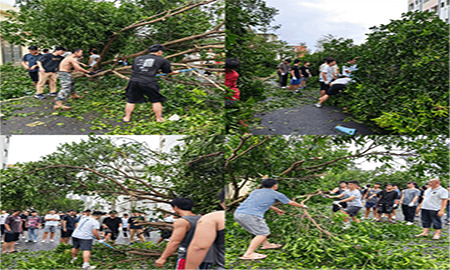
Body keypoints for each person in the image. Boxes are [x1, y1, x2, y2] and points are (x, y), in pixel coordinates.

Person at [233, 178, 308, 260]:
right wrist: (302, 206)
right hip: (251, 215)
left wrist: (276, 209)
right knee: (263, 233)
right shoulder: (276, 194)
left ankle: (266, 245)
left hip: (238, 213)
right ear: (275, 186)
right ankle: (248, 254)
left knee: (259, 231)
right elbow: (291, 203)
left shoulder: (255, 192)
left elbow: (262, 203)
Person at [123, 44, 179, 123]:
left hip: (134, 81)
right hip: (149, 82)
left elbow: (134, 69)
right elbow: (167, 72)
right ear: (159, 52)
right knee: (155, 100)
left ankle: (127, 117)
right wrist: (175, 72)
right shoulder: (162, 60)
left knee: (131, 100)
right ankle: (159, 118)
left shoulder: (138, 58)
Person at [155, 197, 214, 269]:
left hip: (188, 258)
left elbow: (175, 242)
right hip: (207, 257)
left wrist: (163, 258)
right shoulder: (203, 218)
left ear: (176, 207)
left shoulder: (182, 222)